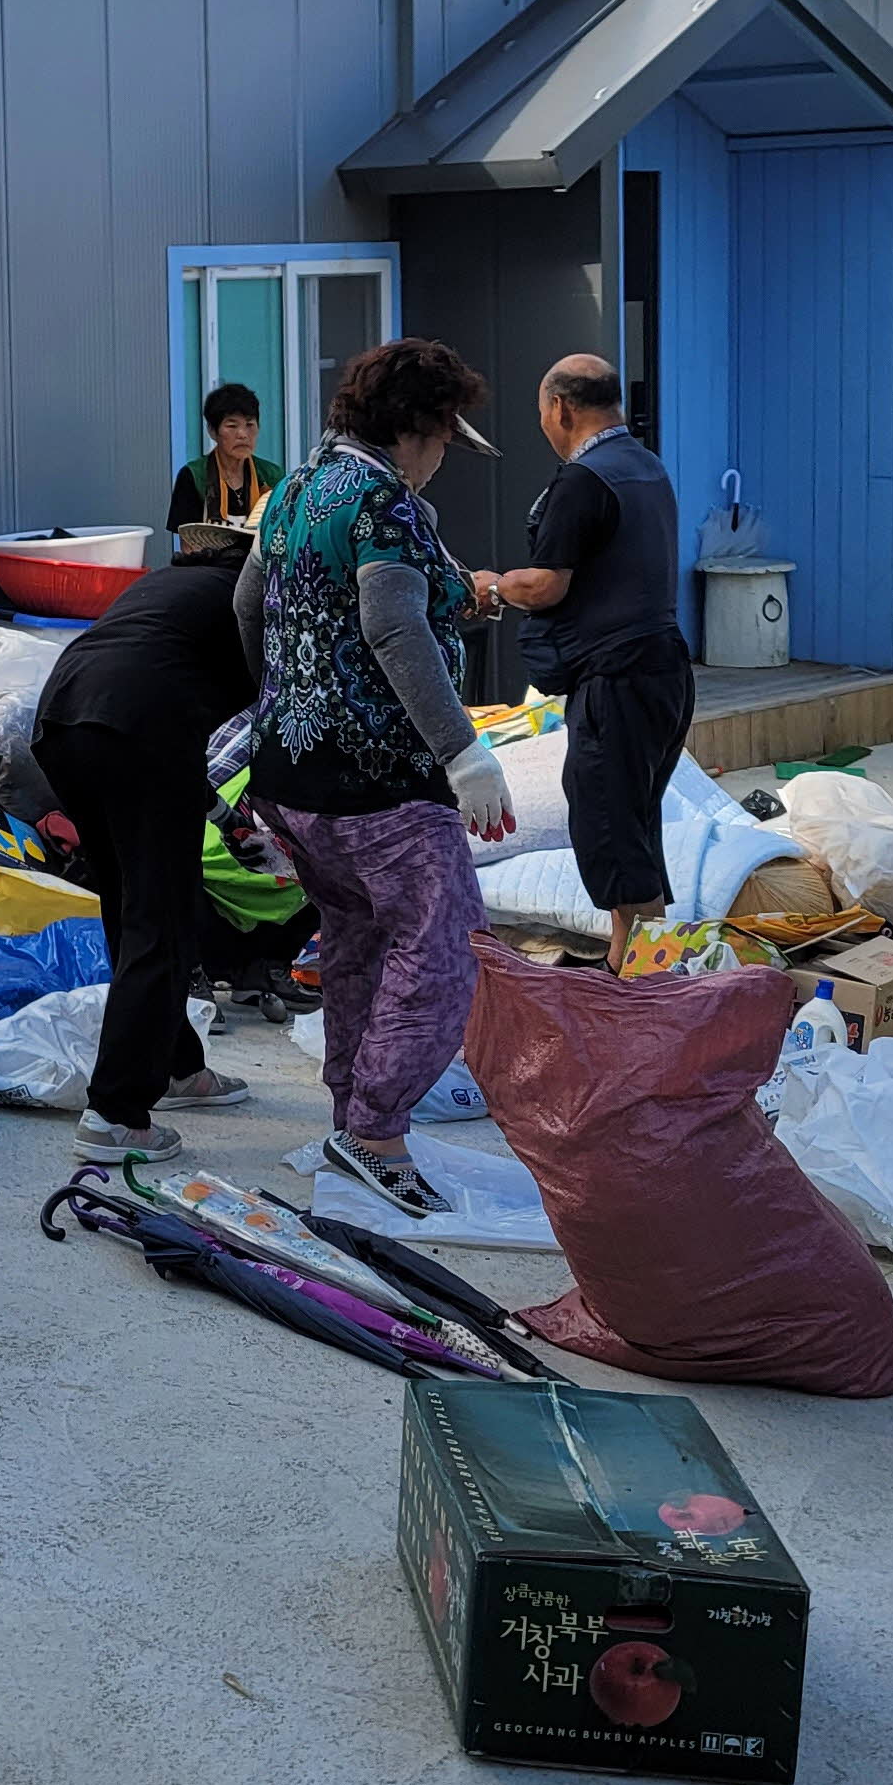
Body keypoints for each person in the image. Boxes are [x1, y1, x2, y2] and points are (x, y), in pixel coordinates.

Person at [236, 337, 516, 1216]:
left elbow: (249, 606)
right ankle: (376, 1133)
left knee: (356, 939)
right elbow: (394, 627)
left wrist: (291, 697)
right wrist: (462, 752)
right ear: (417, 429)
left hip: (291, 777)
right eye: (442, 440)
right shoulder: (383, 502)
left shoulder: (291, 492)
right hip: (381, 782)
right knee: (443, 947)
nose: (442, 461)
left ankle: (351, 1116)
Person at [32, 523, 263, 1155]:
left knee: (136, 908)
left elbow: (162, 692)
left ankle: (178, 1067)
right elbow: (276, 725)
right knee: (159, 922)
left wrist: (220, 811)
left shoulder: (175, 585)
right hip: (138, 729)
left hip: (63, 718)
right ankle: (116, 1113)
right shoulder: (260, 599)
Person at [479, 355, 693, 934]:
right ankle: (633, 965)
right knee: (632, 825)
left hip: (617, 676)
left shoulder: (585, 477)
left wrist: (492, 587)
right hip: (665, 668)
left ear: (560, 408)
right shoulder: (645, 465)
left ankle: (646, 992)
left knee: (610, 828)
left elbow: (547, 584)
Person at [167, 382, 280, 534]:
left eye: (249, 425)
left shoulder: (272, 476)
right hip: (209, 557)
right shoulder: (193, 476)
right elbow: (189, 547)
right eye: (232, 426)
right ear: (212, 431)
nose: (242, 434)